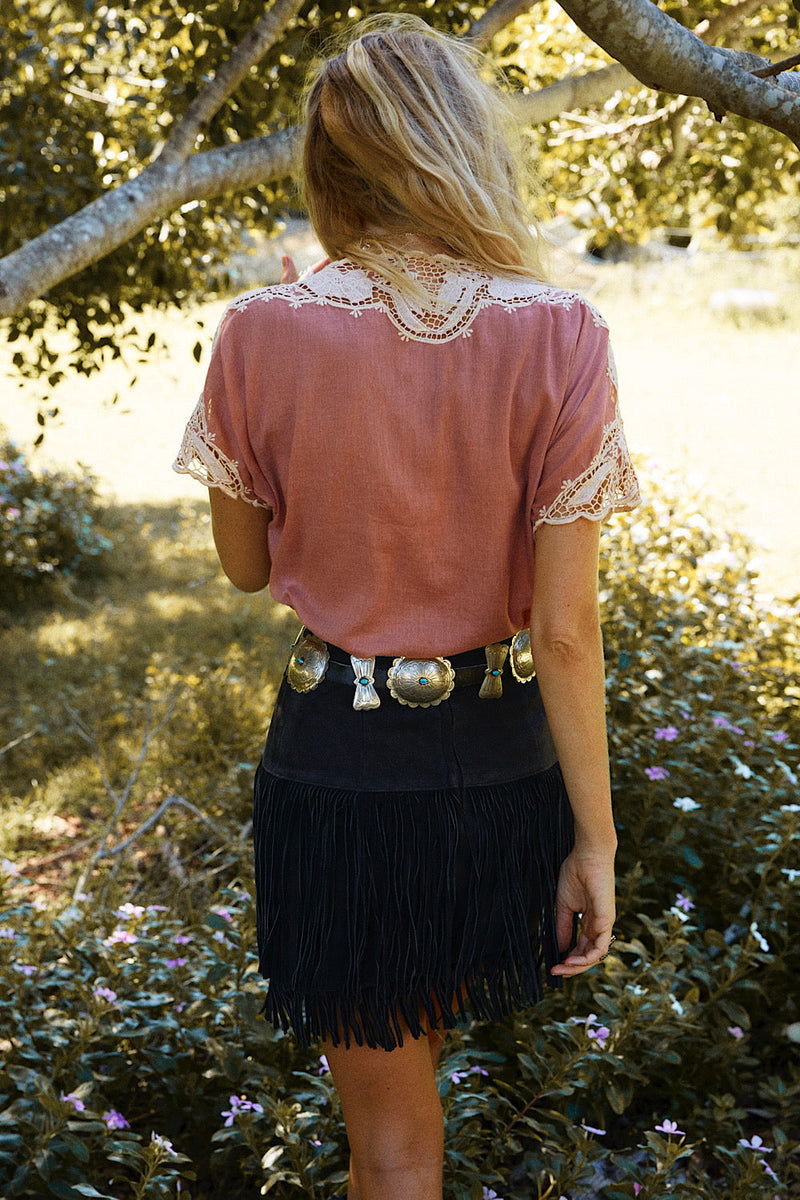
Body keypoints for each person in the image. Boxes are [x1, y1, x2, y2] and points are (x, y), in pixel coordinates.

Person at [174, 14, 640, 1200]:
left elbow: (242, 566)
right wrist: (593, 840)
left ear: (328, 168)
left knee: (389, 1144)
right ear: (461, 144)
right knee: (414, 1092)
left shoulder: (261, 330)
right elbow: (565, 631)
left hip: (342, 765)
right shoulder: (562, 331)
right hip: (500, 766)